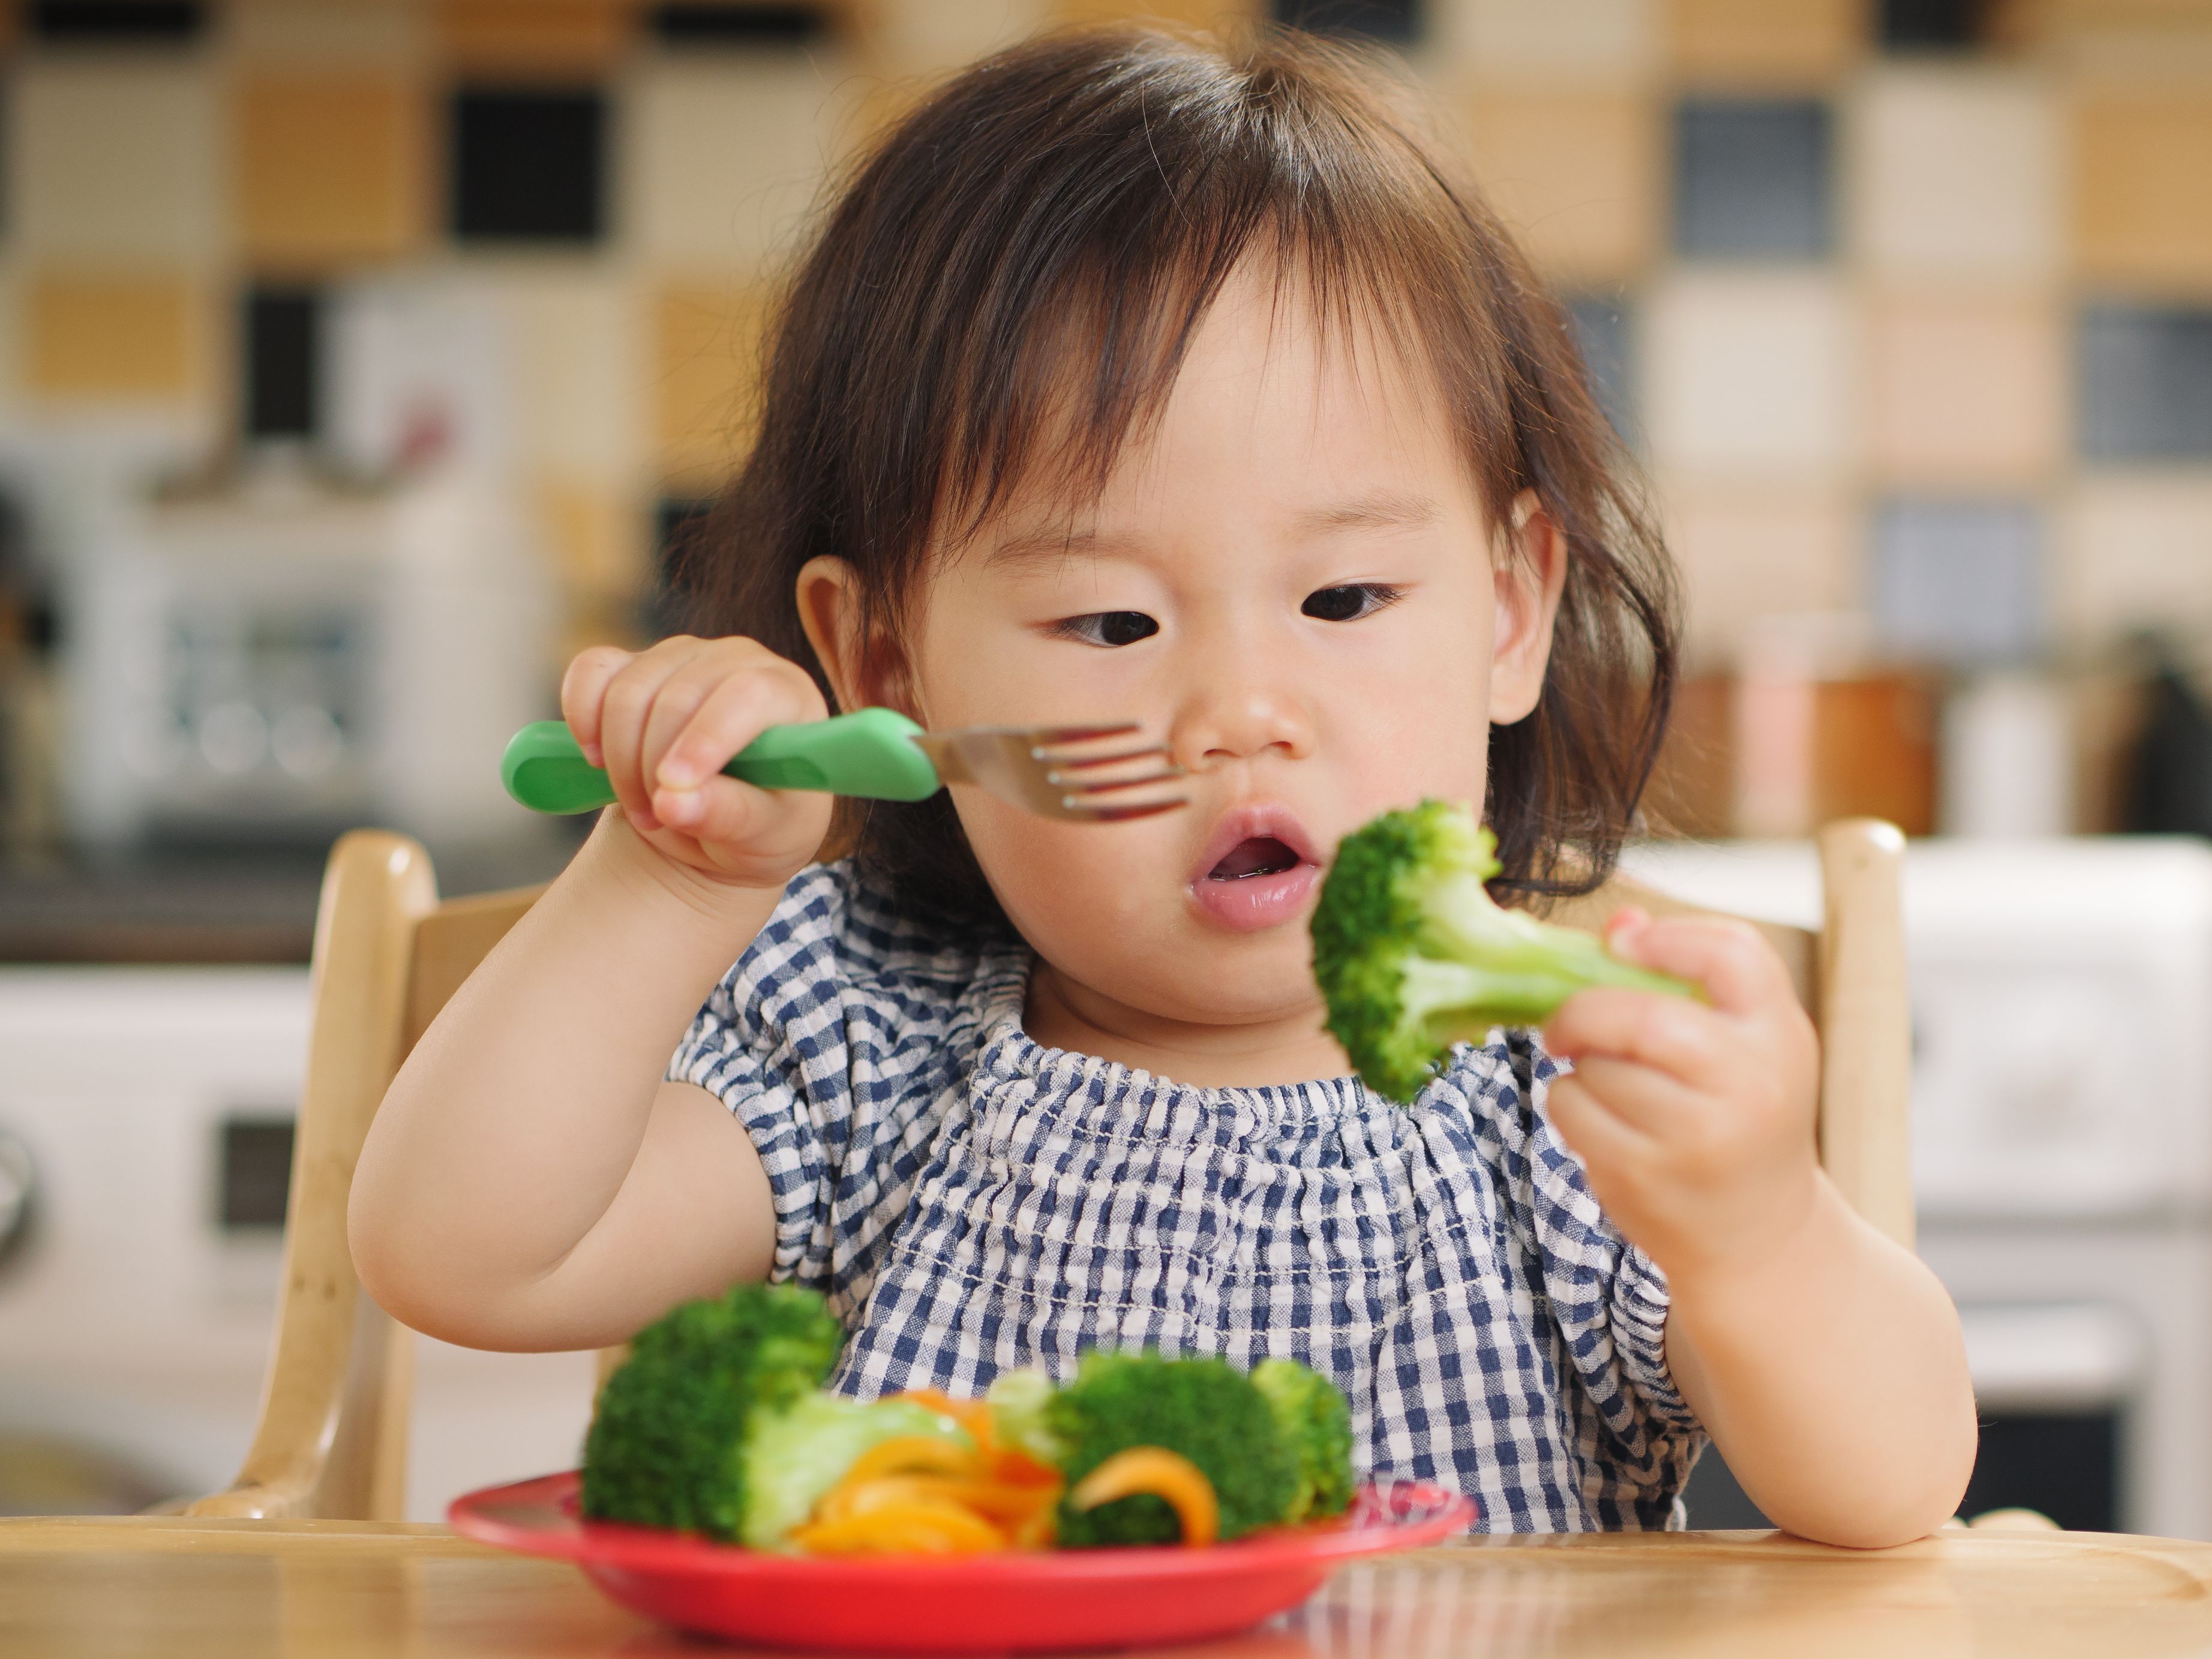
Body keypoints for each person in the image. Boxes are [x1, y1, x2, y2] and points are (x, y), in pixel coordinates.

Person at [350, 25, 1973, 1545]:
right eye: (1110, 623)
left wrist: (1757, 1235)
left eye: (1343, 599)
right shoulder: (861, 1041)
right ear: (888, 664)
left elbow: (1893, 1485)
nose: (1239, 715)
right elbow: (465, 1258)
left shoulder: (1569, 1089)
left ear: (1510, 612)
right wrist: (668, 882)